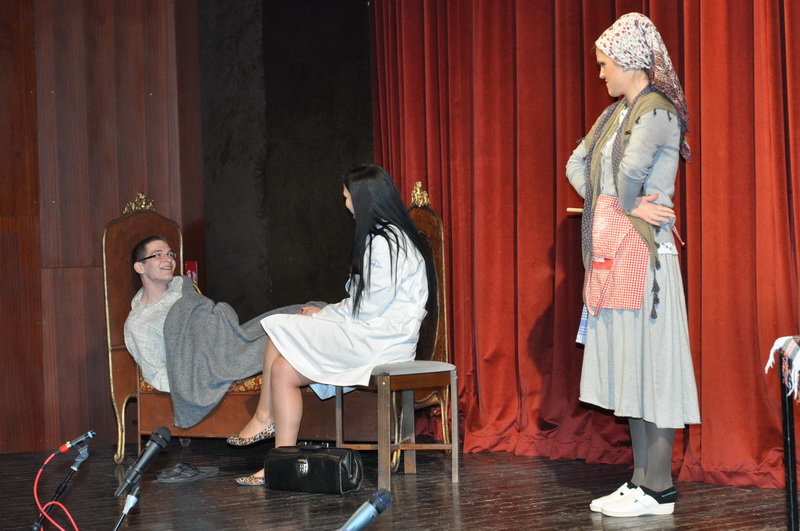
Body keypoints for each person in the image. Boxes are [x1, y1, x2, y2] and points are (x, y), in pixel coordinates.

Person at [565, 13, 700, 518]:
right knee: (634, 368)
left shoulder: (657, 110)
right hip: (614, 255)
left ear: (629, 61)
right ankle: (641, 480)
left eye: (605, 64)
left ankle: (659, 487)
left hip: (647, 257)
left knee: (655, 368)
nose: (601, 74)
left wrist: (624, 201)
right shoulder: (613, 115)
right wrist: (610, 202)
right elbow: (577, 163)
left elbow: (631, 170)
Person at [229, 163, 434, 486]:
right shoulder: (382, 238)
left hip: (380, 342)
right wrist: (324, 313)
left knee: (280, 326)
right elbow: (361, 302)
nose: (345, 203)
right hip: (370, 335)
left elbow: (368, 310)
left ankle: (263, 416)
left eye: (347, 196)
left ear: (363, 198)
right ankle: (281, 465)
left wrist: (323, 315)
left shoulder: (386, 243)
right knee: (282, 370)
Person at [124, 235, 315, 428]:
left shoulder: (183, 287)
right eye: (157, 255)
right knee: (281, 335)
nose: (168, 259)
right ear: (140, 267)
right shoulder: (139, 323)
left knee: (295, 316)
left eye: (170, 254)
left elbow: (209, 324)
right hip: (205, 367)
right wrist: (196, 379)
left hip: (227, 342)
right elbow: (156, 374)